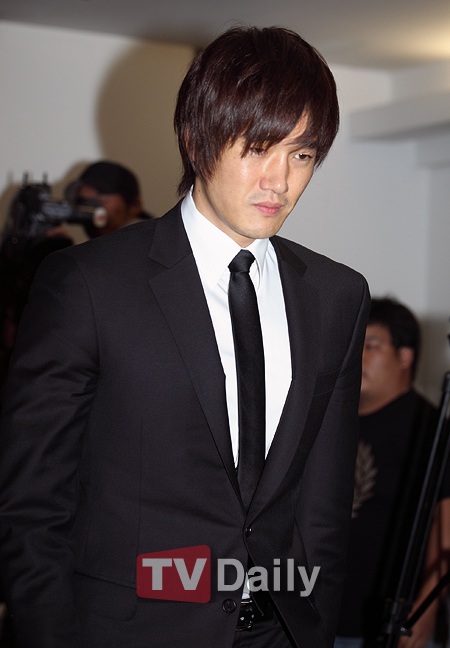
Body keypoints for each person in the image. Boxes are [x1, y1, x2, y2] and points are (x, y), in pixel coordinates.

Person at [0, 26, 370, 648]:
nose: (278, 180)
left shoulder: (337, 296)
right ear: (197, 140)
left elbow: (323, 508)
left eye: (302, 155)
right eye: (257, 147)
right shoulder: (89, 283)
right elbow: (31, 503)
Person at [335, 297, 450, 648]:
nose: (358, 357)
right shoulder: (332, 422)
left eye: (371, 346)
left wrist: (425, 610)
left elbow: (445, 529)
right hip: (322, 617)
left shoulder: (430, 429)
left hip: (390, 625)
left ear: (405, 356)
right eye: (354, 345)